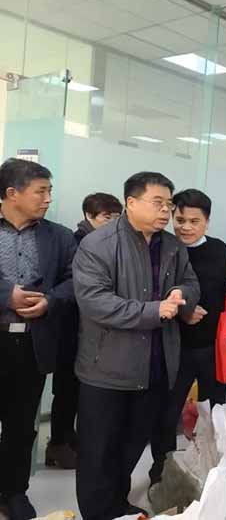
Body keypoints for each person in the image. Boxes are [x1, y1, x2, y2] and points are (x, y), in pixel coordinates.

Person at [72, 172, 200, 520]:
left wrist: (181, 294)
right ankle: (97, 513)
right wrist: (153, 311)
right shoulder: (98, 245)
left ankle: (117, 506)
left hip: (155, 367)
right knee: (99, 452)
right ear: (131, 202)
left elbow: (191, 283)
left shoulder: (172, 246)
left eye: (168, 204)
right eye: (158, 203)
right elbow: (95, 301)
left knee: (130, 448)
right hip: (107, 370)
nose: (166, 211)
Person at [149, 189, 226, 486]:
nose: (186, 228)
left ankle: (214, 468)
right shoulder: (163, 249)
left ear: (207, 222)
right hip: (174, 347)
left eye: (195, 221)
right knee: (167, 413)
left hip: (214, 347)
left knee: (215, 410)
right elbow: (152, 294)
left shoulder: (218, 248)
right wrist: (182, 312)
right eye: (180, 220)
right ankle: (162, 472)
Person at [0, 158, 76, 520]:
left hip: (32, 345)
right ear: (12, 193)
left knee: (21, 426)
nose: (48, 199)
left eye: (49, 191)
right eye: (40, 191)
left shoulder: (59, 236)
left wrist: (50, 301)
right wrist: (6, 296)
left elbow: (76, 281)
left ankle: (13, 492)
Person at [47, 192, 123, 470]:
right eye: (106, 217)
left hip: (95, 331)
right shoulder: (76, 243)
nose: (112, 222)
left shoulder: (113, 244)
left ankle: (74, 442)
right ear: (88, 216)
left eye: (117, 217)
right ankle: (58, 444)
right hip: (70, 329)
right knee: (66, 391)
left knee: (85, 392)